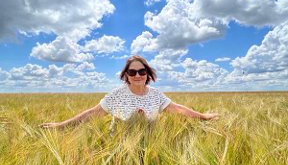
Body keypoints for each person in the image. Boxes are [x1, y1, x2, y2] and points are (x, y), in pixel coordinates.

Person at [40, 55, 219, 129]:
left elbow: (178, 109)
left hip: (150, 148)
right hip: (120, 149)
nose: (138, 75)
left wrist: (203, 116)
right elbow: (93, 113)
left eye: (142, 71)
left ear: (147, 74)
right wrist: (61, 125)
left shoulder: (156, 95)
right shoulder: (117, 94)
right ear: (126, 75)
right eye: (132, 72)